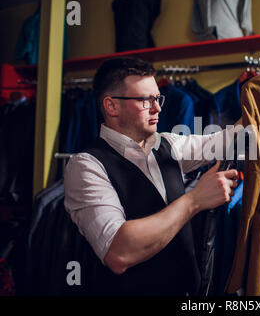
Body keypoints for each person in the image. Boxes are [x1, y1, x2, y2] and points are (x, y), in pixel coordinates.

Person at [64, 57, 240, 295]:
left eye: (157, 98)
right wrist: (195, 200)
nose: (157, 108)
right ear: (111, 106)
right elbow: (118, 252)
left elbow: (232, 138)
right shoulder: (86, 166)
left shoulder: (168, 144)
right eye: (145, 100)